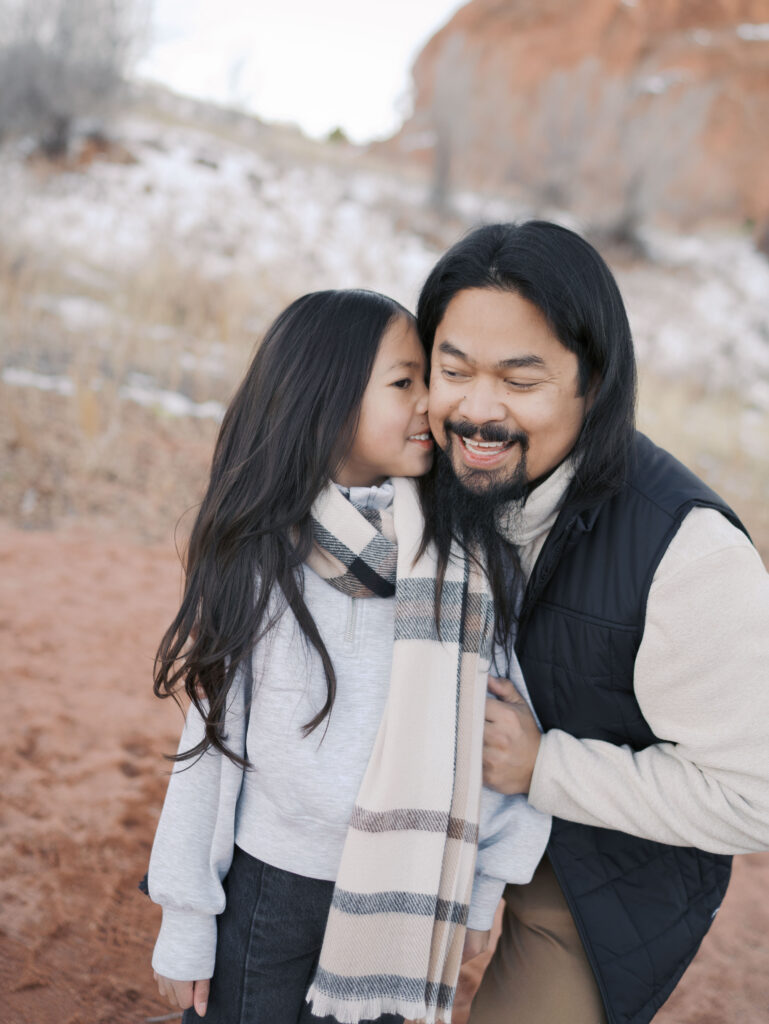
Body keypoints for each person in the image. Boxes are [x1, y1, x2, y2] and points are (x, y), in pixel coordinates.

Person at [146, 288, 551, 1024]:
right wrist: (185, 917)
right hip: (270, 886)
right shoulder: (265, 556)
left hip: (406, 891)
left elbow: (494, 731)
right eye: (405, 382)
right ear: (325, 400)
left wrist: (483, 886)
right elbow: (209, 747)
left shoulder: (467, 559)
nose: (432, 402)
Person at [416, 221, 769, 1024]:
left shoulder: (689, 555)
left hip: (593, 862)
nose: (476, 410)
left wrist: (545, 768)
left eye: (519, 379)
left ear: (593, 382)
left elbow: (758, 796)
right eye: (453, 369)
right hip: (424, 812)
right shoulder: (420, 466)